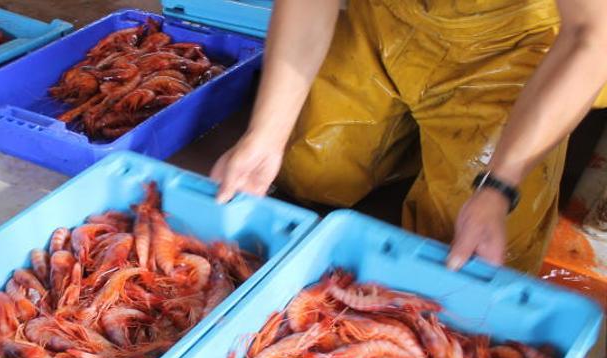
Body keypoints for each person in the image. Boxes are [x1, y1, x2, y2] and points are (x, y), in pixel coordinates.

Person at [210, 0, 607, 273]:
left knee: (470, 251)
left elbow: (590, 37)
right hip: (387, 17)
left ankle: (461, 150)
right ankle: (419, 145)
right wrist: (265, 136)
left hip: (510, 37)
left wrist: (499, 185)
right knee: (310, 172)